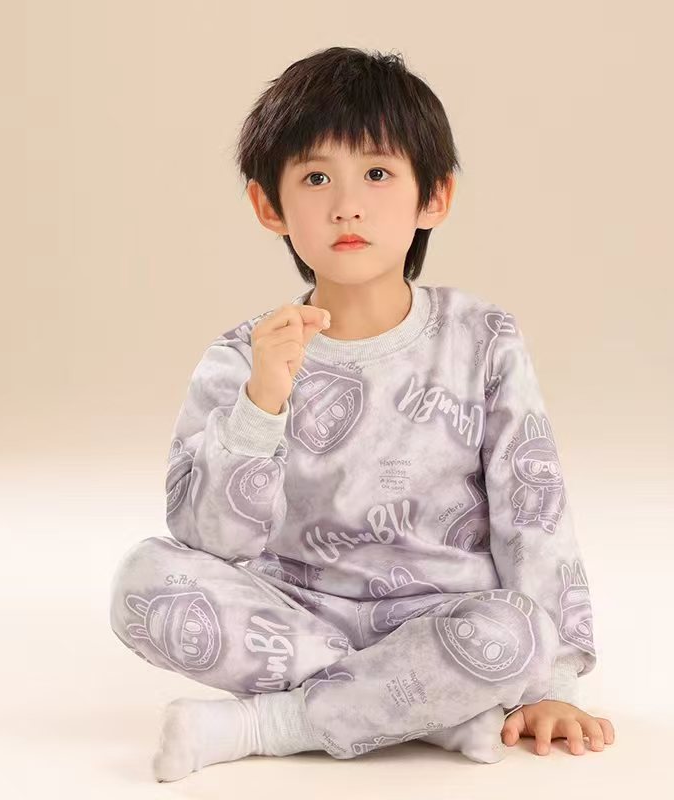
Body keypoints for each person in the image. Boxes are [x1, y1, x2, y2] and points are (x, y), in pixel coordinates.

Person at [108, 46, 615, 782]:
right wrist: (261, 404)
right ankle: (425, 707)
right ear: (270, 207)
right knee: (140, 580)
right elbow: (207, 542)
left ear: (433, 197)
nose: (346, 205)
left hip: (445, 619)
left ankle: (269, 725)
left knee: (516, 636)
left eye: (377, 174)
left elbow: (533, 508)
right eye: (316, 178)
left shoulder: (483, 339)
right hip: (295, 616)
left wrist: (553, 686)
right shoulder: (243, 356)